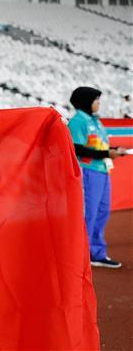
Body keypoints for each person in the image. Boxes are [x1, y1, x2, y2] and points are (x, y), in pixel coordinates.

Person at [67, 86, 128, 268]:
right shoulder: (78, 121)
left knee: (102, 212)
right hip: (88, 172)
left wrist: (114, 150)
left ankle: (96, 253)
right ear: (86, 101)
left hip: (102, 171)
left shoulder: (96, 121)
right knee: (89, 214)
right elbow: (77, 148)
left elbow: (99, 146)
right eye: (96, 100)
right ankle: (79, 256)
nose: (98, 103)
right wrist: (107, 154)